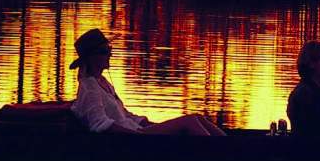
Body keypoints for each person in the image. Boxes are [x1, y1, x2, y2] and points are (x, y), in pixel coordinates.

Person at [69, 29, 226, 135]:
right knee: (190, 121)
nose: (109, 55)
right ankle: (218, 151)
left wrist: (146, 122)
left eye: (109, 50)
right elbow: (99, 123)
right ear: (91, 58)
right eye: (104, 52)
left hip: (137, 129)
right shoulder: (90, 87)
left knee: (197, 117)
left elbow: (124, 115)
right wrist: (137, 134)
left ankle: (227, 143)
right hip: (134, 138)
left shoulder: (102, 82)